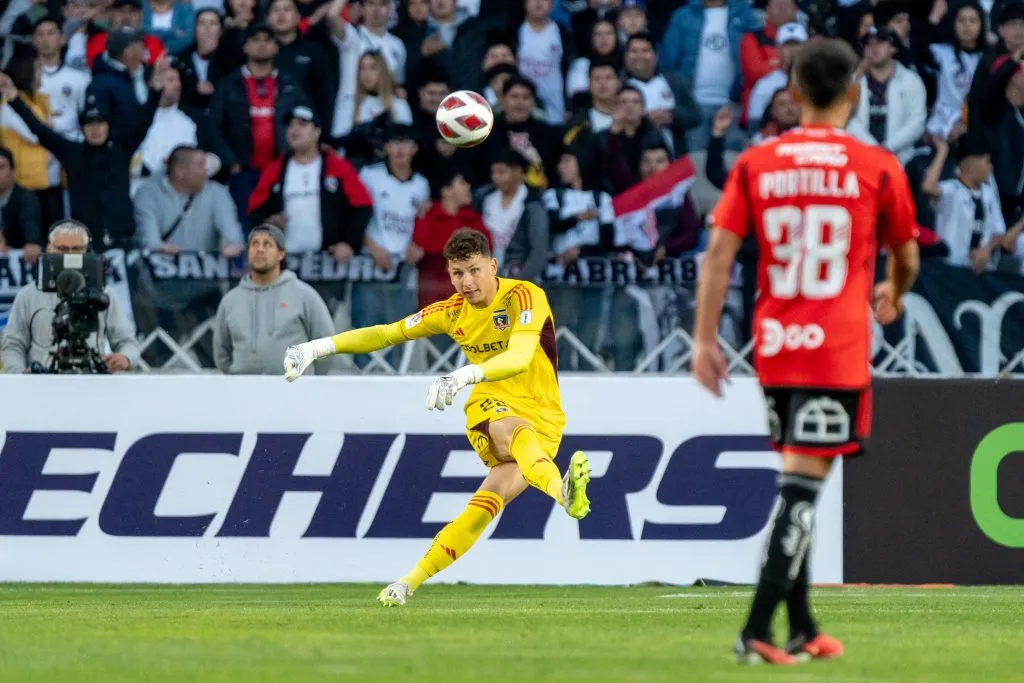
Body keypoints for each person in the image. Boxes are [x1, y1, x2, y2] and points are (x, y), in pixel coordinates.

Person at [692, 38, 921, 665]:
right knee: (802, 489)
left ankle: (801, 627)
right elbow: (906, 255)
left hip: (775, 347)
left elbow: (718, 256)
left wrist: (704, 339)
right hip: (835, 350)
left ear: (791, 93)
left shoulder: (757, 162)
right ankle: (755, 630)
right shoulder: (876, 166)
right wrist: (894, 291)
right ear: (855, 93)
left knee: (800, 476)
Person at [282, 227, 592, 606]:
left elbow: (520, 356)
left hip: (546, 415)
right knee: (515, 431)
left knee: (482, 508)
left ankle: (405, 583)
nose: (467, 282)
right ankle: (562, 492)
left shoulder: (524, 296)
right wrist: (317, 348)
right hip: (490, 405)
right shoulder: (450, 312)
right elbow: (387, 334)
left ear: (492, 267)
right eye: (457, 273)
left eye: (474, 270)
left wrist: (463, 375)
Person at [1, 220, 140, 373]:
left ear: (87, 250)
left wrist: (125, 358)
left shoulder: (104, 294)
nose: (69, 254)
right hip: (41, 380)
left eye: (76, 249)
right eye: (62, 249)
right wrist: (19, 373)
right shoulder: (28, 295)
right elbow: (13, 344)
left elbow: (127, 341)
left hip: (93, 378)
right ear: (49, 248)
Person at [214, 223, 338, 375]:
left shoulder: (304, 295)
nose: (260, 249)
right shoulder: (230, 301)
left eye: (267, 244)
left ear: (281, 254)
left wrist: (307, 381)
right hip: (243, 386)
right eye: (254, 244)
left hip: (294, 386)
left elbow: (325, 344)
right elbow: (222, 354)